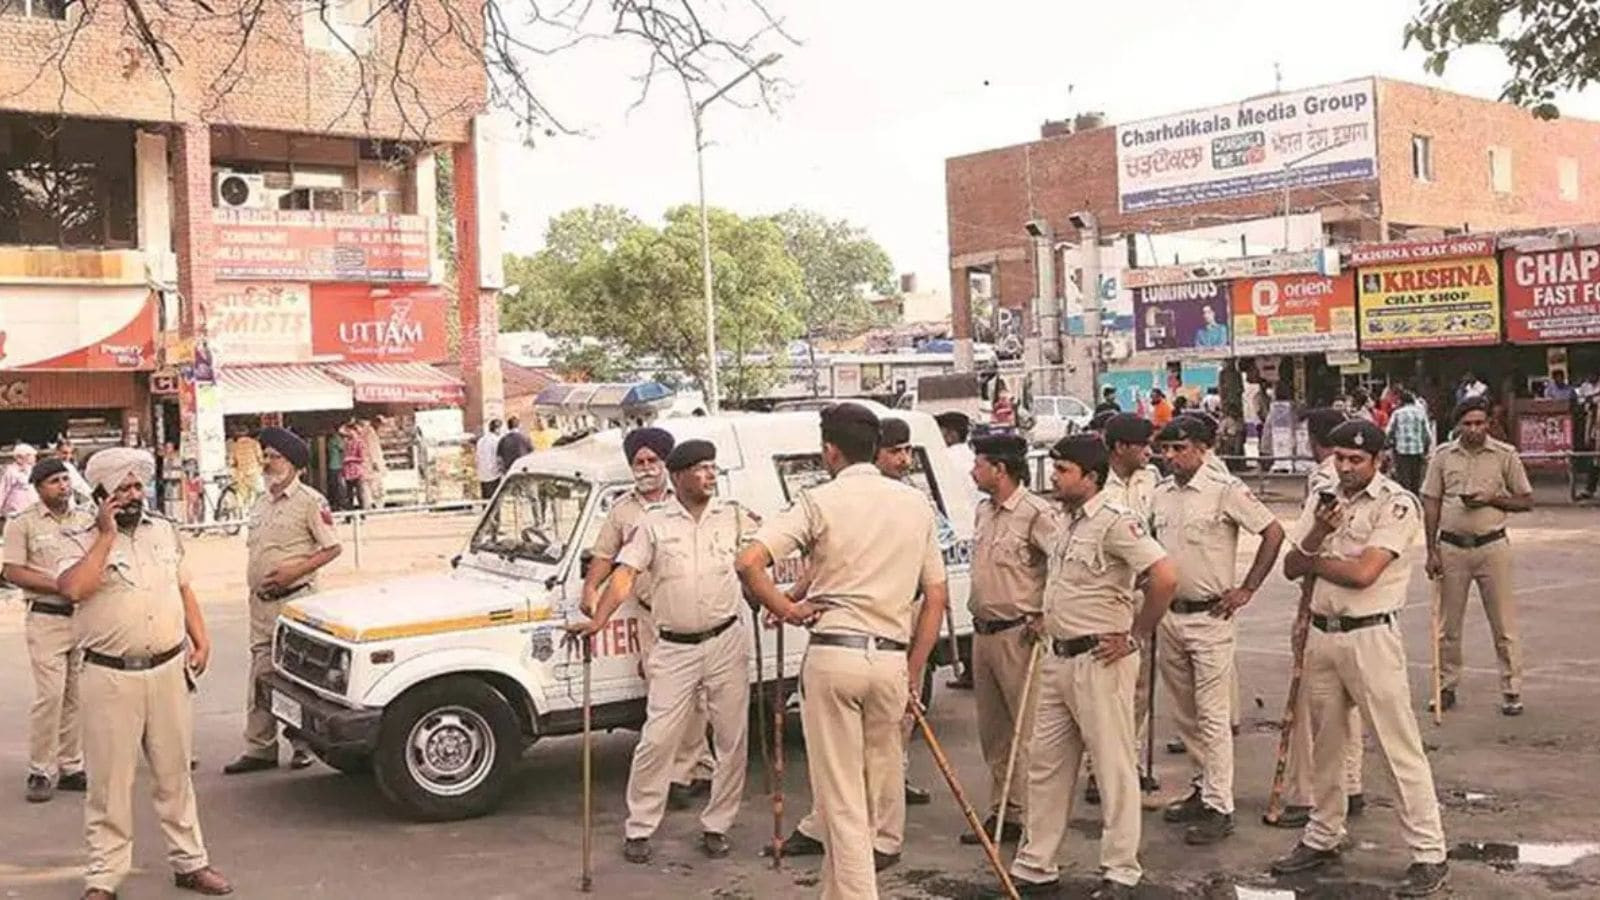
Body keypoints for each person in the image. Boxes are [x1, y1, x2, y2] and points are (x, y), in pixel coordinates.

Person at [736, 402, 950, 900]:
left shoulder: (818, 500)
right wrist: (914, 671)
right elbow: (935, 597)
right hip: (892, 657)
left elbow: (748, 562)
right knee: (875, 790)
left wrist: (786, 609)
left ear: (830, 451)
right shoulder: (915, 504)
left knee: (843, 800)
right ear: (876, 449)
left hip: (836, 655)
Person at [1270, 420, 1448, 898]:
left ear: (1378, 460)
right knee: (1326, 745)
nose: (1346, 467)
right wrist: (1316, 535)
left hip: (1370, 635)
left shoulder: (1396, 503)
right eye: (1340, 458)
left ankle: (1429, 851)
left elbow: (1365, 573)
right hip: (1322, 633)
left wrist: (1314, 561)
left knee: (1396, 745)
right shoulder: (1323, 497)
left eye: (1356, 460)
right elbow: (1291, 566)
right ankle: (1323, 834)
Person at [56, 448, 233, 898]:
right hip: (109, 678)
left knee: (176, 776)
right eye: (124, 488)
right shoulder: (76, 536)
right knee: (109, 785)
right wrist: (105, 536)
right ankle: (104, 878)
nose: (135, 495)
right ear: (100, 493)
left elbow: (183, 587)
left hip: (169, 671)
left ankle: (190, 863)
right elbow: (74, 588)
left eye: (139, 486)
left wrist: (201, 639)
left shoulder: (164, 530)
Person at [570, 440, 755, 863]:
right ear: (679, 475)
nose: (710, 475)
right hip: (673, 646)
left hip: (726, 640)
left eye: (713, 467)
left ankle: (717, 825)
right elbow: (624, 575)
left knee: (732, 741)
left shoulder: (732, 516)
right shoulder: (652, 523)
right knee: (657, 739)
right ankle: (639, 826)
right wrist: (598, 621)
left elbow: (754, 563)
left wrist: (778, 603)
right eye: (701, 469)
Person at [1009, 435, 1177, 898]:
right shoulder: (1065, 520)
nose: (1055, 478)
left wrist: (1136, 634)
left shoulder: (1115, 521)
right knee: (1046, 765)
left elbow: (1165, 576)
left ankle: (1121, 869)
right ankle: (1036, 865)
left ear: (1091, 476)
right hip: (1059, 657)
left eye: (1064, 471)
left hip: (1100, 659)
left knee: (1112, 767)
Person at [1149, 416, 1285, 845]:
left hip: (1210, 616)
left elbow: (1273, 532)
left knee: (1212, 715)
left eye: (1180, 448)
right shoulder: (1160, 494)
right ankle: (1202, 785)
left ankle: (1219, 805)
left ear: (1203, 449)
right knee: (1185, 714)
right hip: (1170, 614)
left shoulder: (1225, 489)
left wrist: (1247, 588)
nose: (1170, 457)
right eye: (1166, 449)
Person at [581, 427, 715, 805]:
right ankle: (693, 768)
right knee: (664, 698)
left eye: (652, 460)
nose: (645, 467)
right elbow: (605, 556)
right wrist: (590, 588)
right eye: (638, 462)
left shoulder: (689, 498)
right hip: (651, 618)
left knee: (695, 698)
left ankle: (687, 772)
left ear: (667, 464)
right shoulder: (623, 509)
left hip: (694, 613)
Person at [223, 428, 343, 775]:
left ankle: (303, 745)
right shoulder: (261, 501)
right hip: (261, 606)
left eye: (274, 457)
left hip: (294, 602)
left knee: (297, 679)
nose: (267, 462)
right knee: (261, 676)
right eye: (266, 456)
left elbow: (332, 547)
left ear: (293, 464)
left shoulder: (310, 501)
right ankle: (260, 747)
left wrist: (295, 571)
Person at [1272, 408, 1368, 829]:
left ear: (1313, 440)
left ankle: (1310, 794)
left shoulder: (1324, 482)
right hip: (1353, 603)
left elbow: (1302, 556)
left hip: (1323, 597)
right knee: (1347, 704)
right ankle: (1351, 784)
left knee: (1314, 704)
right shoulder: (1363, 481)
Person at [963, 432, 1058, 845]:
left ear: (1000, 469)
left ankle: (1035, 819)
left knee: (1028, 731)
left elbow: (1063, 563)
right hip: (984, 631)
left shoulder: (1036, 513)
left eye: (979, 464)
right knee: (995, 733)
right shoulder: (984, 511)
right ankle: (1005, 811)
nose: (973, 471)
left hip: (1020, 632)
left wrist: (1045, 613)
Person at [1421, 397, 1534, 716]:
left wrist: (1491, 498)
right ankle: (1445, 686)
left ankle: (1511, 689)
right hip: (1451, 548)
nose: (1474, 429)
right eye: (1468, 424)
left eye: (1479, 423)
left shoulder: (1504, 455)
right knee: (1448, 626)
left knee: (1504, 623)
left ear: (1488, 423)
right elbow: (1431, 502)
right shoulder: (1443, 456)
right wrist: (1430, 550)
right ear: (1458, 425)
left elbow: (1526, 500)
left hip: (1491, 546)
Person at [4, 458, 95, 803]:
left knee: (76, 696)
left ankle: (71, 766)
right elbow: (12, 571)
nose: (63, 486)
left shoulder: (86, 520)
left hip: (82, 617)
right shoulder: (23, 523)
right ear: (39, 488)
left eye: (65, 479)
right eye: (54, 481)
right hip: (46, 618)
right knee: (51, 696)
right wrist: (59, 584)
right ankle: (40, 769)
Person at [934, 410, 977, 689]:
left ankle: (971, 670)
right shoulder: (972, 458)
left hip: (955, 534)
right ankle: (972, 670)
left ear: (949, 433)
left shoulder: (947, 459)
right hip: (973, 532)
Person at [1386, 390, 1433, 495]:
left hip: (1401, 451)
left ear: (1401, 401)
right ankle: (1415, 499)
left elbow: (1389, 431)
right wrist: (1426, 449)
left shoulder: (1397, 413)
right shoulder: (1421, 413)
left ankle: (1406, 500)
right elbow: (1427, 434)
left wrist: (1390, 442)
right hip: (1418, 451)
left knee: (1404, 480)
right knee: (1416, 480)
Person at [227, 430, 264, 511]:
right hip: (254, 472)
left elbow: (232, 462)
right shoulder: (255, 443)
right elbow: (260, 458)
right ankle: (255, 510)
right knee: (258, 493)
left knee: (242, 496)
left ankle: (244, 512)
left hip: (241, 475)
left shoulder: (235, 446)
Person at [1, 443, 39, 517]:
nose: (34, 458)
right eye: (31, 456)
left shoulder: (32, 470)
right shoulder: (11, 472)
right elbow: (3, 491)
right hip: (15, 513)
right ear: (21, 457)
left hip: (31, 511)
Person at [360, 419, 387, 508]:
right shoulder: (370, 432)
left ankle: (368, 506)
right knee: (375, 487)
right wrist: (375, 463)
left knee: (366, 488)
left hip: (365, 465)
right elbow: (373, 449)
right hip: (372, 466)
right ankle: (377, 505)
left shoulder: (363, 432)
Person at [340, 423, 368, 510]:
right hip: (348, 472)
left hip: (357, 471)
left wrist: (350, 459)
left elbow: (362, 458)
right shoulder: (346, 443)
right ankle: (349, 512)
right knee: (349, 494)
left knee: (360, 493)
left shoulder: (359, 443)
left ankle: (363, 512)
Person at [476, 418, 505, 499]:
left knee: (485, 499)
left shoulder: (481, 440)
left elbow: (477, 457)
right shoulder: (497, 440)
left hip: (482, 474)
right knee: (494, 499)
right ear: (497, 429)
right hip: (493, 475)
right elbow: (498, 457)